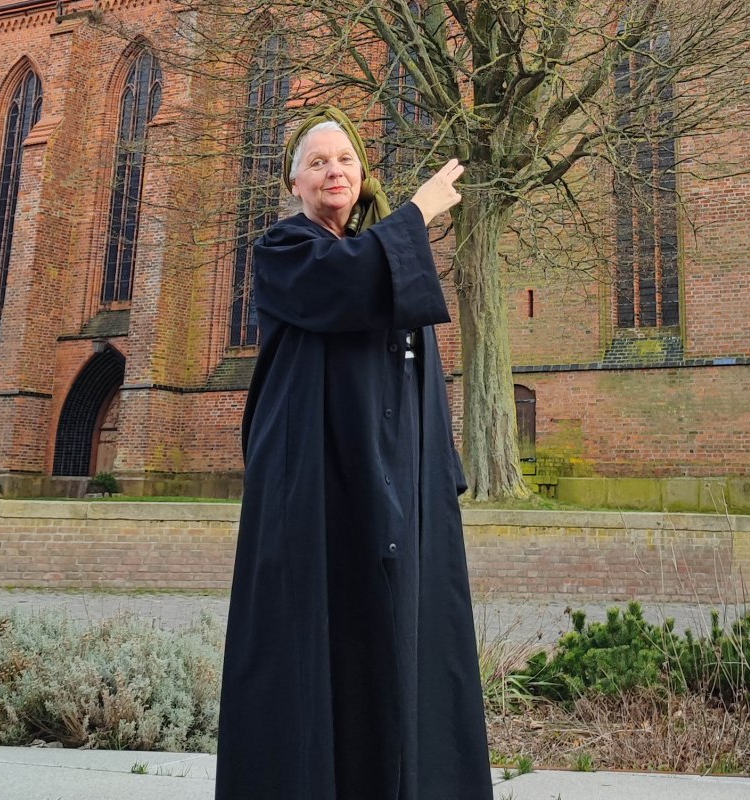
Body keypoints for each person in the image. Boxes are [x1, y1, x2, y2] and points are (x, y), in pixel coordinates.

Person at [215, 107, 493, 800]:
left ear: (361, 174)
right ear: (293, 181)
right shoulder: (283, 251)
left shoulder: (382, 262)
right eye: (317, 162)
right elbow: (339, 283)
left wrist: (436, 475)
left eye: (344, 159)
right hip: (312, 485)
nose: (333, 170)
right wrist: (417, 214)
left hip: (387, 483)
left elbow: (417, 379)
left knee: (390, 646)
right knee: (316, 644)